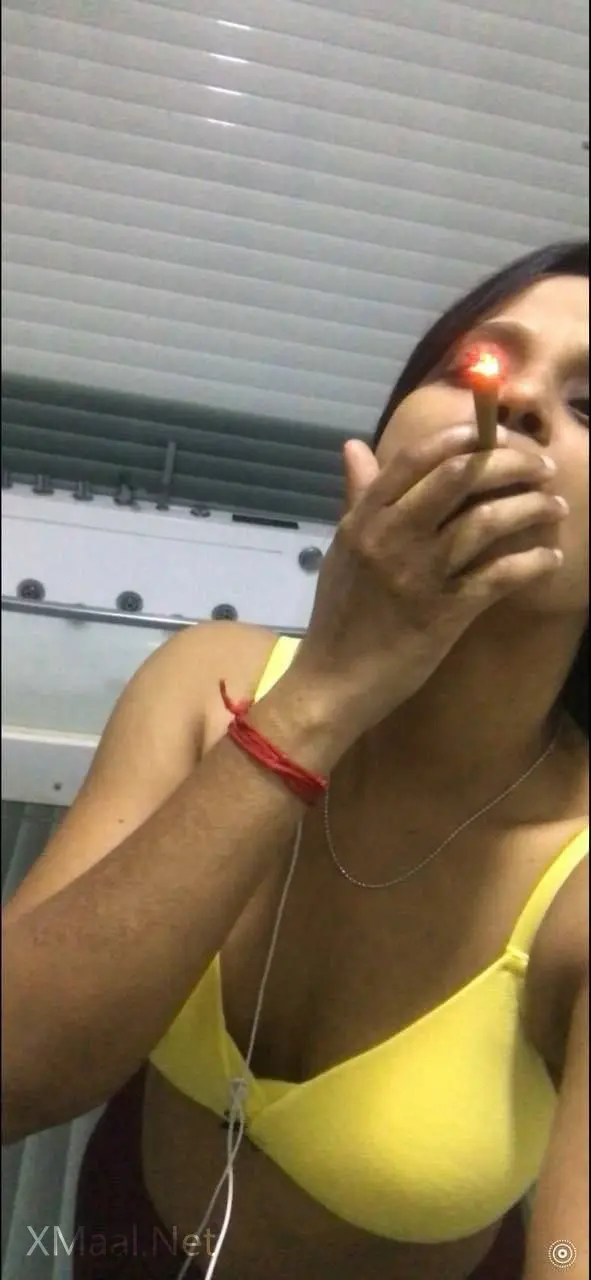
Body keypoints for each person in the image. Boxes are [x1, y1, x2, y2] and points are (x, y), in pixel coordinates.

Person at [2, 241, 588, 1280]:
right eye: (475, 362)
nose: (513, 398)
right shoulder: (207, 681)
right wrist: (323, 693)